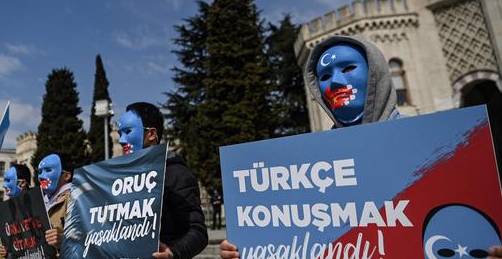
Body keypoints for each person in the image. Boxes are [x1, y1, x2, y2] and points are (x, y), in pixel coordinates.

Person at [219, 35, 502, 258]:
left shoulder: (444, 149)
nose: (336, 82)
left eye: (349, 68)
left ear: (376, 72)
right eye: (325, 76)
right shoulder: (306, 169)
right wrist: (247, 246)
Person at [118, 102, 208, 259]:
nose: (121, 140)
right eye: (120, 134)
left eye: (128, 131)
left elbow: (198, 232)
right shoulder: (122, 180)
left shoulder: (176, 174)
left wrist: (172, 253)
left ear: (152, 134)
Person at [38, 153, 73, 250]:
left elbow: (88, 237)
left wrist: (63, 240)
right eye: (40, 172)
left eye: (48, 170)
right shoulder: (38, 201)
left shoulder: (77, 199)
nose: (41, 176)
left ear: (66, 176)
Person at [0, 164, 32, 258]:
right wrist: (6, 252)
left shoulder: (39, 204)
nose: (4, 185)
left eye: (8, 180)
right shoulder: (6, 210)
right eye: (4, 181)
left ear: (22, 183)